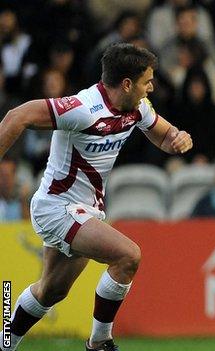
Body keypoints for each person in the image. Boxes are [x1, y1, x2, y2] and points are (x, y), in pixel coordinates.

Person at [0, 43, 193, 351]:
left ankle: (4, 342)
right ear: (127, 83)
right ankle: (99, 342)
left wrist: (179, 138)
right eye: (147, 81)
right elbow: (17, 115)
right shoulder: (82, 108)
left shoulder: (137, 107)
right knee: (128, 256)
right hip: (57, 206)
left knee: (51, 292)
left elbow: (165, 136)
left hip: (86, 210)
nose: (151, 87)